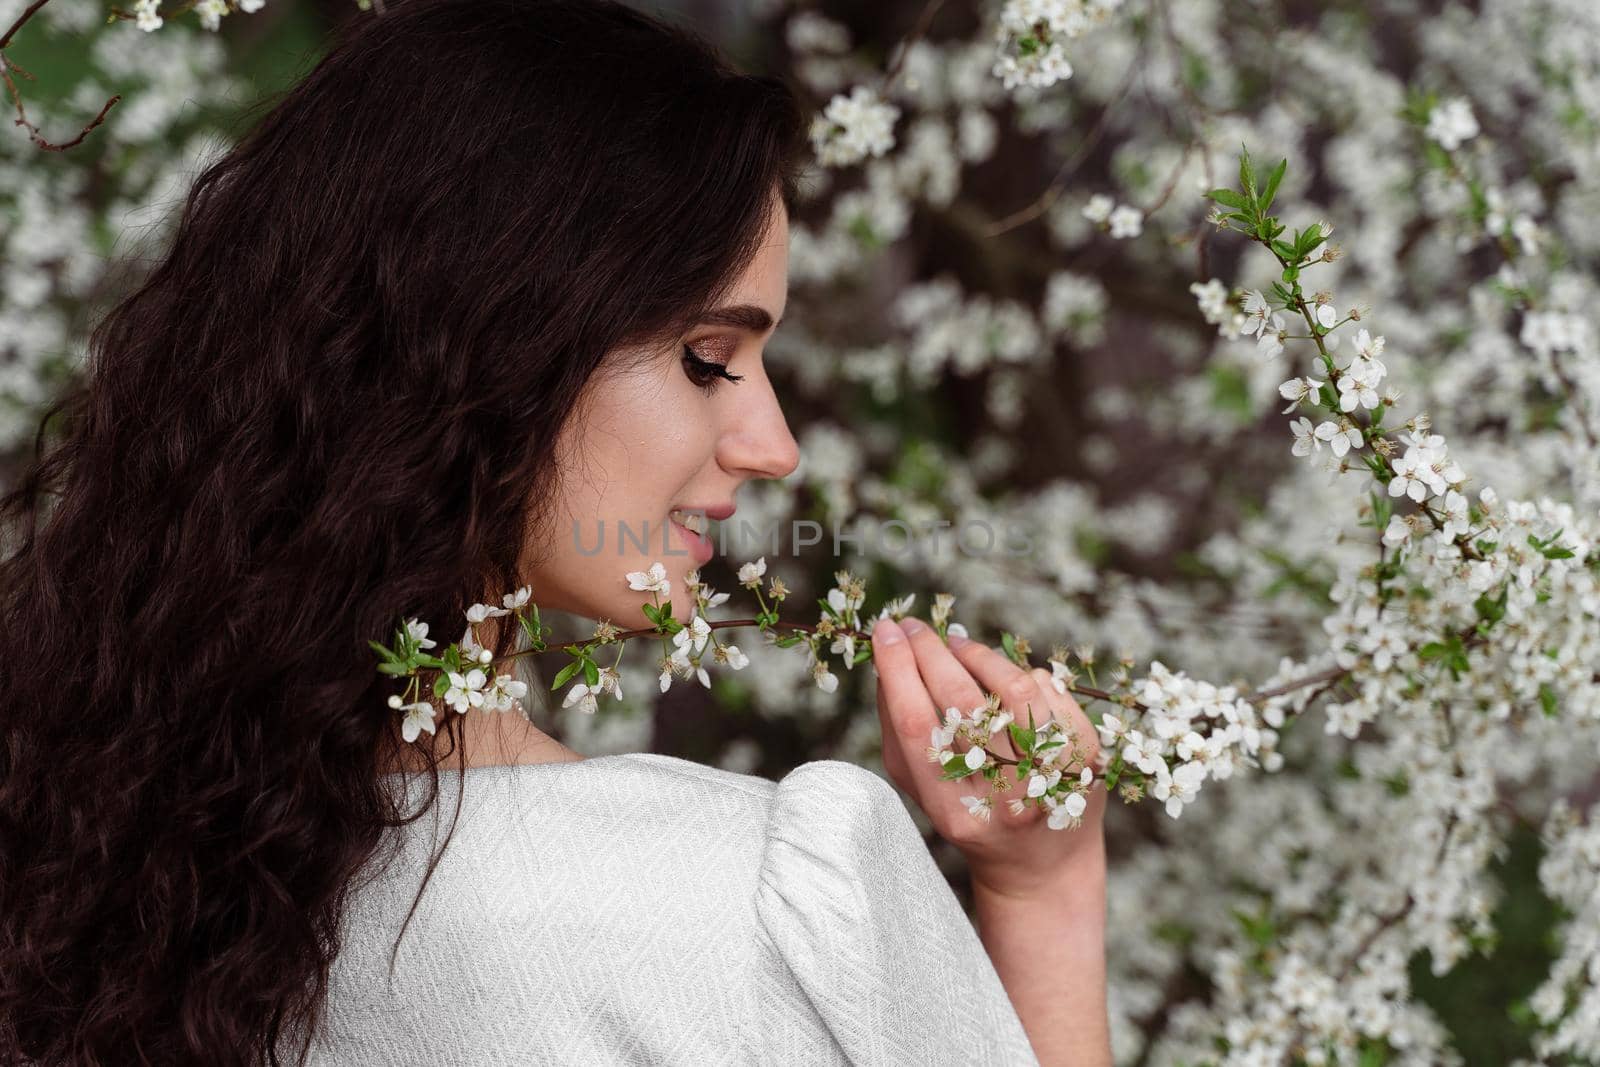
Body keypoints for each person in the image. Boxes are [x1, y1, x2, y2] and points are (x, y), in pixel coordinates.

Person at [0, 0, 1109, 1064]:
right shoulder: (745, 901)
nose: (773, 444)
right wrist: (1045, 892)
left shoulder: (112, 868)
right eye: (709, 358)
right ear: (492, 345)